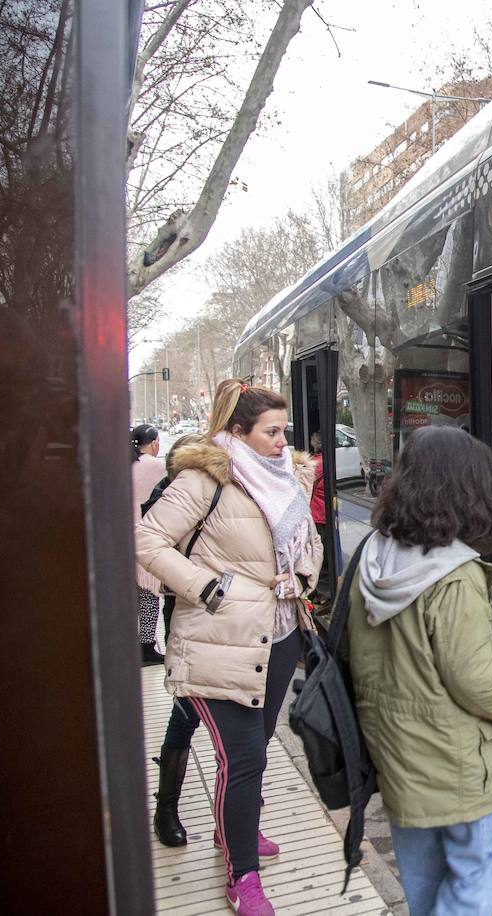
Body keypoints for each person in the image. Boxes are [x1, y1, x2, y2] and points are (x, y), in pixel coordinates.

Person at [137, 379, 322, 916]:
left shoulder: (287, 475)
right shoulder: (204, 479)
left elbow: (306, 543)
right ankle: (243, 876)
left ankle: (234, 833)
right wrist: (207, 587)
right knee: (242, 759)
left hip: (281, 636)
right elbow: (146, 539)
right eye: (270, 431)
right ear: (235, 432)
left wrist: (302, 578)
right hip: (220, 641)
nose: (281, 441)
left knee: (254, 756)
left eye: (284, 430)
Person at [343, 426, 492, 916]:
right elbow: (473, 679)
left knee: (424, 880)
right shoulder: (453, 575)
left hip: (398, 756)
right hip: (454, 763)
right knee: (485, 859)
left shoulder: (375, 555)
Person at [142, 433, 207, 849]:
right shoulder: (166, 498)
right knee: (185, 711)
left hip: (232, 621)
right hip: (187, 614)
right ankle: (166, 808)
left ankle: (239, 814)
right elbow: (152, 547)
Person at [132, 424, 167, 665]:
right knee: (149, 594)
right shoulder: (157, 467)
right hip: (146, 533)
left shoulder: (123, 464)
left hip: (120, 536)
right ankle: (146, 645)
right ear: (154, 443)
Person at [308, 429, 333, 606]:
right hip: (328, 514)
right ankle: (324, 592)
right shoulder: (331, 462)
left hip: (316, 515)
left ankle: (321, 591)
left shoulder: (314, 464)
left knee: (318, 555)